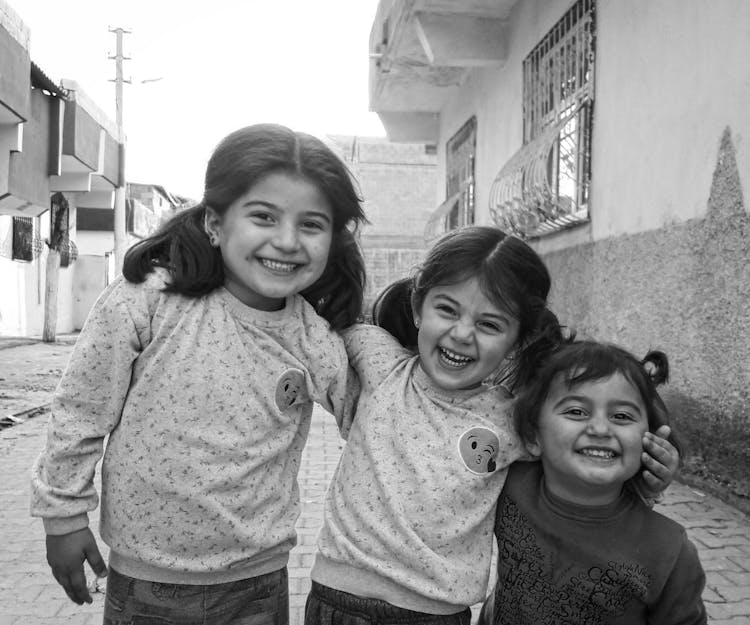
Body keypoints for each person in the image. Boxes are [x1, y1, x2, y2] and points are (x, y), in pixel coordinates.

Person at [30, 123, 367, 625]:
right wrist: (62, 514)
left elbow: (379, 418)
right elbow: (81, 409)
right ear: (214, 222)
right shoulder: (147, 300)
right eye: (263, 216)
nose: (287, 240)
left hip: (257, 584)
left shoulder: (313, 337)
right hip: (145, 585)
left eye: (312, 224)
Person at [304, 226, 678, 625]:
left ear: (518, 339)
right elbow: (306, 321)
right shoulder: (379, 362)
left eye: (490, 325)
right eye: (446, 309)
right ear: (418, 307)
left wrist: (643, 483)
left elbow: (579, 481)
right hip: (334, 602)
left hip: (433, 616)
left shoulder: (516, 421)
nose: (462, 334)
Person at [479, 339, 706, 625]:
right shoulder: (508, 486)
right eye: (576, 411)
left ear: (649, 440)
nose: (600, 428)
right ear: (534, 437)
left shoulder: (670, 552)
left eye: (621, 416)